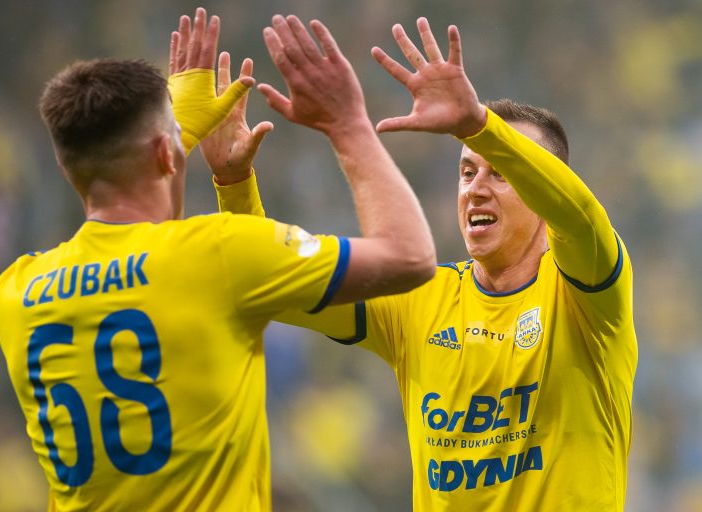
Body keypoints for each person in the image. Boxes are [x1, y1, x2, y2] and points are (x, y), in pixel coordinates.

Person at [0, 8, 435, 512]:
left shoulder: (15, 291)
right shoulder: (217, 252)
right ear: (165, 154)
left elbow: (145, 252)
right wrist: (348, 124)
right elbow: (411, 256)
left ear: (65, 166)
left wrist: (183, 146)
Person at [210, 16, 637, 511]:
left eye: (501, 172)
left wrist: (478, 125)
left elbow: (580, 215)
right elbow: (276, 283)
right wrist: (233, 180)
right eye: (467, 170)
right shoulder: (419, 296)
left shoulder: (589, 291)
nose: (476, 186)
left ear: (545, 187)